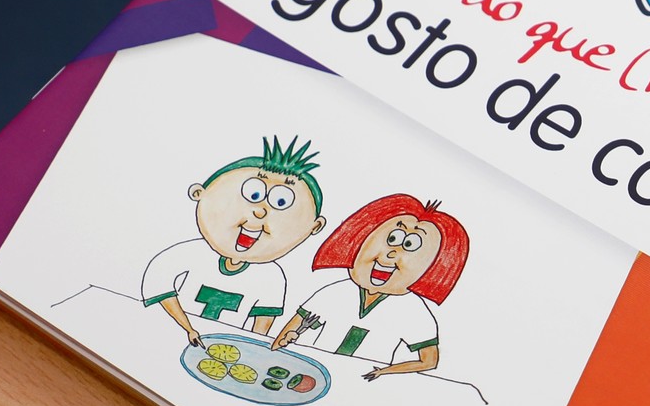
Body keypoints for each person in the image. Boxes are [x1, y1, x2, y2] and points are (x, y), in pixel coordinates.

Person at [142, 136, 325, 345]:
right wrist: (188, 328)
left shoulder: (271, 277)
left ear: (314, 227)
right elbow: (159, 286)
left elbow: (258, 335)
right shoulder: (188, 253)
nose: (260, 211)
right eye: (253, 194)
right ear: (199, 194)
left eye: (281, 201)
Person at [273, 194, 468, 381]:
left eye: (409, 245)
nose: (392, 253)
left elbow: (429, 361)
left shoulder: (414, 311)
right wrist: (286, 340)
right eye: (392, 239)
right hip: (313, 373)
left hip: (362, 386)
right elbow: (291, 328)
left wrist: (384, 372)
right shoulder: (334, 292)